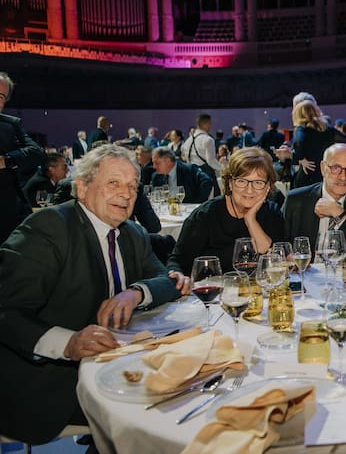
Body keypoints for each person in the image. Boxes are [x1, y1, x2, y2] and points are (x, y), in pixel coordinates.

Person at [0, 144, 188, 444]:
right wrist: (69, 343)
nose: (126, 194)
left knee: (185, 388)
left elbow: (165, 280)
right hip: (50, 379)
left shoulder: (132, 233)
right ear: (82, 187)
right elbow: (7, 312)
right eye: (113, 183)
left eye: (132, 186)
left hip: (116, 364)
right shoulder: (49, 228)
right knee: (160, 409)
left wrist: (134, 294)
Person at [167, 147, 286, 275]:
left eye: (258, 182)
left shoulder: (272, 213)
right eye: (241, 181)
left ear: (267, 187)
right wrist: (177, 275)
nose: (249, 190)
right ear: (230, 183)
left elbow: (271, 255)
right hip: (213, 290)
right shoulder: (205, 216)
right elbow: (177, 262)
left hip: (259, 291)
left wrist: (250, 219)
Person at [284, 143, 346, 261]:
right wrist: (288, 257)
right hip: (306, 274)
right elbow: (281, 243)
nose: (343, 177)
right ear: (323, 168)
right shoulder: (296, 199)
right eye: (336, 168)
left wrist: (340, 215)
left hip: (344, 276)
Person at [0, 72, 46, 244]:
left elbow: (37, 154)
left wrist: (6, 160)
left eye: (1, 96)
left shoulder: (11, 125)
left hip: (6, 216)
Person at [291, 99, 335, 189]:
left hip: (308, 174)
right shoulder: (328, 130)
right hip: (324, 174)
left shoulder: (301, 129)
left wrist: (299, 159)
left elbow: (299, 142)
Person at [182, 113, 222, 196]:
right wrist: (224, 168)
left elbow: (186, 159)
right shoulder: (208, 140)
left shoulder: (187, 141)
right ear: (205, 124)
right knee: (212, 202)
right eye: (210, 123)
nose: (210, 126)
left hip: (191, 177)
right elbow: (211, 161)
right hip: (206, 177)